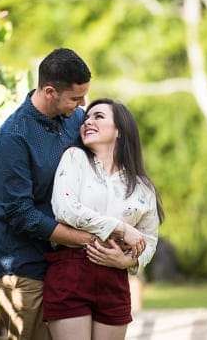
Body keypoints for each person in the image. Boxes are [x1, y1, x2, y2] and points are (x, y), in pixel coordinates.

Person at [0, 48, 119, 340]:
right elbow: (21, 215)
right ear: (50, 91)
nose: (83, 105)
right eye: (76, 98)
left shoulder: (76, 121)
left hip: (70, 264)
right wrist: (91, 239)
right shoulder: (13, 138)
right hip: (25, 267)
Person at [43, 97, 165, 340]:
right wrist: (119, 229)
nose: (88, 122)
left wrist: (128, 262)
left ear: (120, 130)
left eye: (98, 116)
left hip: (115, 280)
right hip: (71, 270)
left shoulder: (143, 187)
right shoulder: (75, 158)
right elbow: (65, 209)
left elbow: (149, 240)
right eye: (86, 118)